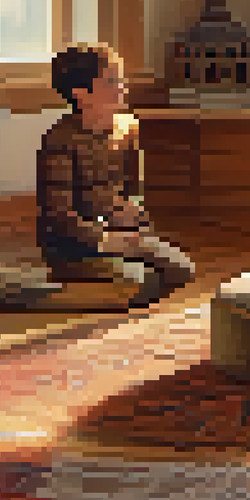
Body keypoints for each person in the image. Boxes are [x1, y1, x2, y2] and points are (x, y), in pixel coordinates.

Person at [37, 43, 196, 307]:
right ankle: (66, 288)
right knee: (142, 281)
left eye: (121, 79)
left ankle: (110, 287)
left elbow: (134, 189)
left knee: (182, 270)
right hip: (76, 247)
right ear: (81, 94)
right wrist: (106, 239)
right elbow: (58, 216)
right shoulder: (59, 140)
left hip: (124, 235)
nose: (122, 87)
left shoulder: (128, 129)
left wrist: (133, 214)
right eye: (111, 81)